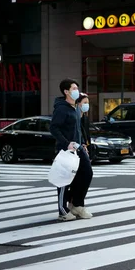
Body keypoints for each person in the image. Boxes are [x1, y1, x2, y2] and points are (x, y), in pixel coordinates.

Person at [49, 78, 85, 221]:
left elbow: (77, 130)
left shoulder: (75, 107)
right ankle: (62, 211)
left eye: (77, 88)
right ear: (66, 91)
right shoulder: (62, 108)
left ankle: (76, 204)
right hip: (65, 150)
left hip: (78, 149)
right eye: (74, 88)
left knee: (86, 173)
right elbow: (53, 128)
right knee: (64, 180)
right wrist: (66, 143)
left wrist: (82, 145)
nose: (77, 91)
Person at [69, 93, 94, 218]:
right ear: (78, 104)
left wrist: (85, 145)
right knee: (84, 174)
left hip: (82, 149)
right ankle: (75, 203)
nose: (86, 105)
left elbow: (85, 134)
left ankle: (76, 203)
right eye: (84, 103)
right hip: (75, 149)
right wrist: (82, 144)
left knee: (82, 176)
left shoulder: (84, 117)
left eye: (87, 103)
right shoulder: (75, 116)